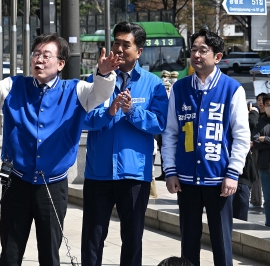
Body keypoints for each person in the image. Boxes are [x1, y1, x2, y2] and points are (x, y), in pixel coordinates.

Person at [0, 32, 119, 266]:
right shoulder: (14, 86)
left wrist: (104, 75)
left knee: (49, 253)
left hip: (53, 184)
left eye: (46, 55)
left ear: (61, 63)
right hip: (17, 182)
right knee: (11, 252)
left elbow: (100, 93)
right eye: (36, 54)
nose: (39, 60)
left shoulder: (76, 90)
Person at [81, 21, 168, 266]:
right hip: (99, 173)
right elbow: (85, 118)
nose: (118, 49)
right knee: (92, 238)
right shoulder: (95, 79)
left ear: (139, 51)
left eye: (125, 44)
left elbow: (160, 123)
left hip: (134, 175)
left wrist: (132, 111)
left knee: (132, 238)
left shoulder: (153, 84)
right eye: (116, 42)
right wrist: (110, 111)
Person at [161, 28, 250, 266]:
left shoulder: (232, 89)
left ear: (217, 57)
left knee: (222, 242)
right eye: (193, 50)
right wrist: (169, 170)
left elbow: (242, 136)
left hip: (220, 180)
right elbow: (170, 133)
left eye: (203, 50)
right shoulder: (180, 89)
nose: (197, 55)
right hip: (186, 180)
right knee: (188, 242)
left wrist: (233, 174)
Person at [252, 93, 270, 227]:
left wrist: (266, 139)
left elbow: (260, 140)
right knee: (268, 199)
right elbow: (255, 142)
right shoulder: (260, 122)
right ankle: (269, 223)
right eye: (268, 105)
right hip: (264, 166)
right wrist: (261, 140)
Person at [250, 92, 267, 207]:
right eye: (258, 100)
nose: (260, 102)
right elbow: (255, 137)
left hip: (264, 150)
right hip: (255, 148)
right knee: (256, 175)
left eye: (262, 100)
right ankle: (256, 200)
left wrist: (264, 139)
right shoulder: (256, 117)